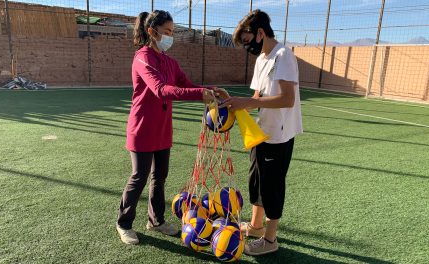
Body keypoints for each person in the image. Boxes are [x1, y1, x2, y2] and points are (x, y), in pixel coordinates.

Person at [116, 10, 226, 245]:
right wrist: (200, 94)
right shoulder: (142, 57)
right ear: (151, 32)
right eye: (166, 32)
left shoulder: (170, 61)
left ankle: (156, 221)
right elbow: (160, 89)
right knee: (139, 176)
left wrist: (212, 91)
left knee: (160, 177)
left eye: (172, 32)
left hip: (162, 128)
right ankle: (124, 223)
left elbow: (186, 84)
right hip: (142, 128)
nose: (170, 37)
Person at [221, 9, 303, 255]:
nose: (247, 48)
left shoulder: (283, 55)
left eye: (247, 42)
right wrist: (236, 104)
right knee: (256, 181)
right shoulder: (261, 59)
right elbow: (257, 97)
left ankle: (270, 240)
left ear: (260, 32)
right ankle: (256, 227)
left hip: (279, 135)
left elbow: (287, 99)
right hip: (260, 131)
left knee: (272, 186)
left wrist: (248, 103)